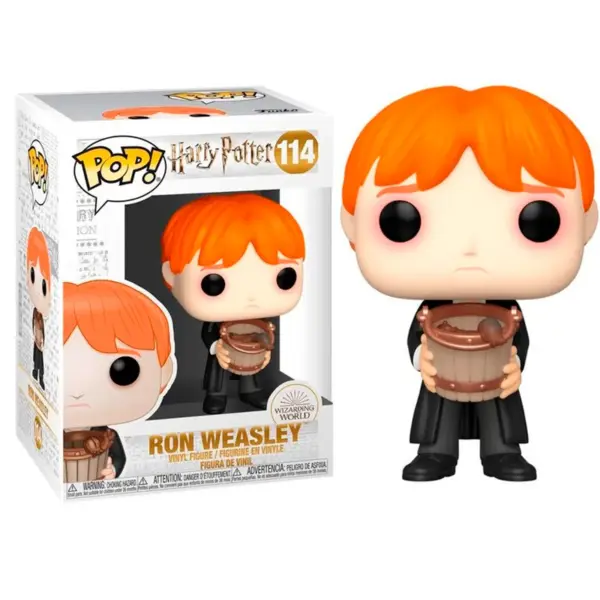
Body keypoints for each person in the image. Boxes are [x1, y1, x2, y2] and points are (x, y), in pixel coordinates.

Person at [342, 85, 597, 482]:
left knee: (500, 406)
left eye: (537, 219)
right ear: (351, 223)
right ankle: (436, 453)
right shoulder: (430, 310)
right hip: (441, 376)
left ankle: (502, 453)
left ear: (587, 223)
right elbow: (415, 338)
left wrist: (515, 365)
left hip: (495, 375)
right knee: (438, 409)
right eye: (402, 219)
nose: (470, 250)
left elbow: (520, 340)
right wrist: (421, 359)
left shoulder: (509, 311)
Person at [161, 194, 305, 415]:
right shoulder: (216, 322)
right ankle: (216, 395)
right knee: (218, 370)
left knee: (251, 367)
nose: (251, 298)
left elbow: (266, 336)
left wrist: (266, 348)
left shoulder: (259, 320)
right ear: (171, 275)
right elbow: (208, 333)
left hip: (251, 347)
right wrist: (215, 346)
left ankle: (250, 391)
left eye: (284, 277)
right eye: (213, 283)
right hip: (223, 347)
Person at [63, 280, 175, 479]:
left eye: (123, 372)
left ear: (164, 372)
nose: (78, 393)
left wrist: (112, 470)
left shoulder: (107, 436)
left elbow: (119, 458)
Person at [26, 227, 51, 391]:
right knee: (36, 359)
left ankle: (40, 377)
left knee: (40, 359)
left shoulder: (40, 314)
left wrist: (42, 341)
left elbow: (41, 328)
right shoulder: (35, 312)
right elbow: (33, 324)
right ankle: (35, 373)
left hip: (40, 342)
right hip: (37, 341)